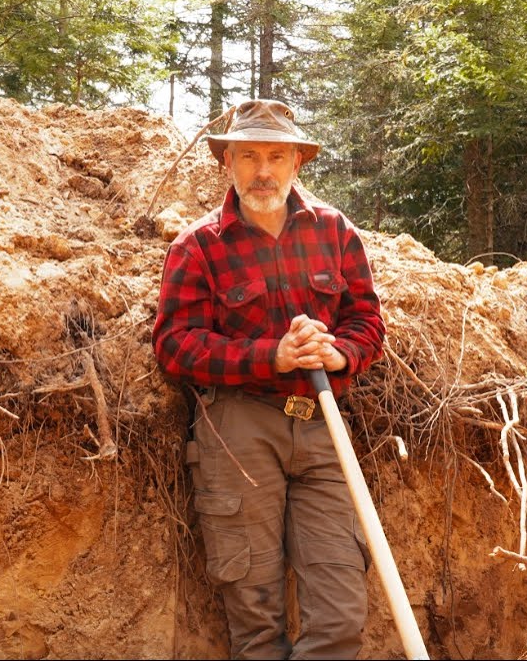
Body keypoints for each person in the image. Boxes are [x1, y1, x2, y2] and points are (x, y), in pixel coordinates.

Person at [152, 99, 386, 659]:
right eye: (249, 155)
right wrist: (270, 357)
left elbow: (367, 320)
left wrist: (341, 353)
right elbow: (174, 345)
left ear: (298, 162)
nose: (263, 170)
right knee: (255, 623)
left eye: (276, 156)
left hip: (322, 430)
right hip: (239, 432)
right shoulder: (198, 246)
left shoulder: (334, 231)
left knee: (341, 613)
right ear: (226, 162)